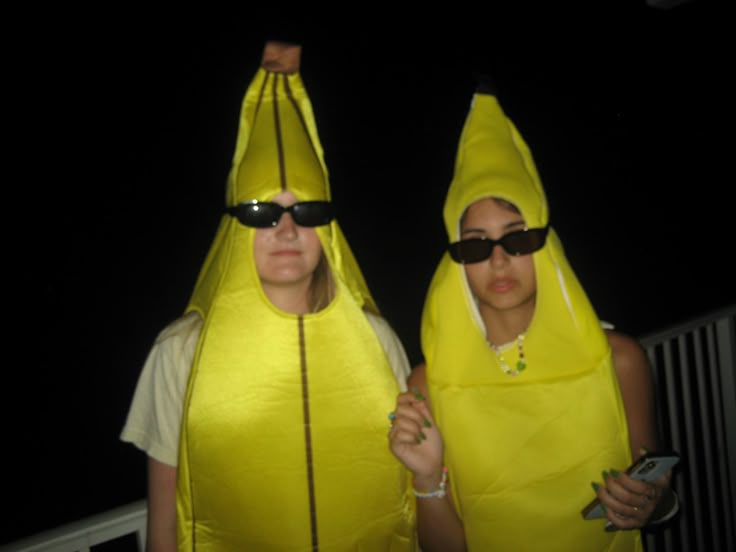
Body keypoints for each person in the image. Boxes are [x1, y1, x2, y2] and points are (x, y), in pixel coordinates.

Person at [121, 41, 417, 551]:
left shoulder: (376, 338)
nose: (286, 229)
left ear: (328, 232)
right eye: (262, 212)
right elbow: (164, 513)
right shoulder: (180, 352)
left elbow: (406, 480)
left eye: (306, 212)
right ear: (234, 229)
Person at [388, 81, 679, 551]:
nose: (499, 260)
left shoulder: (619, 359)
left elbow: (657, 487)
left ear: (547, 249)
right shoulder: (426, 385)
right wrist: (426, 479)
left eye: (518, 238)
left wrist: (652, 503)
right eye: (477, 243)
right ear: (457, 260)